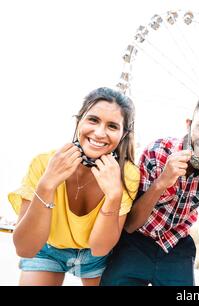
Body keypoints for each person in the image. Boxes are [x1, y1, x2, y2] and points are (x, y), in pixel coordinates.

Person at [100, 90, 199, 286]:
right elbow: (130, 224)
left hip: (176, 245)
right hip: (136, 240)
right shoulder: (157, 152)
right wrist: (162, 182)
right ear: (189, 125)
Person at [8, 87, 140, 286]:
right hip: (47, 248)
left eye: (112, 126)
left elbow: (100, 248)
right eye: (93, 120)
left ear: (123, 134)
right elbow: (25, 249)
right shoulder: (44, 163)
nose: (99, 132)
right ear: (79, 120)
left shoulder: (126, 174)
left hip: (94, 256)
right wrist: (47, 184)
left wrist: (113, 196)